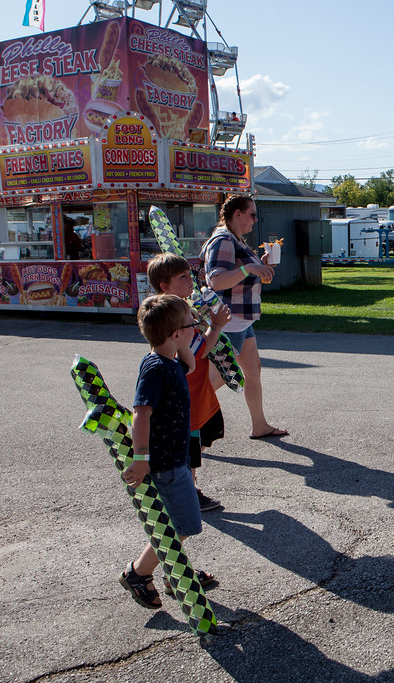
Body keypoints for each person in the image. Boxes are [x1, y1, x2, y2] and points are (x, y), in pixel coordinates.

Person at [118, 294, 219, 608]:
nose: (198, 329)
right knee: (179, 523)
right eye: (193, 325)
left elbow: (189, 366)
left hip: (176, 457)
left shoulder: (171, 358)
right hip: (164, 462)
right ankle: (140, 572)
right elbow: (141, 412)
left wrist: (187, 335)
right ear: (175, 334)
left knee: (178, 521)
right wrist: (142, 458)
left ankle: (175, 571)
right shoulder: (156, 368)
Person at [147, 253, 231, 513]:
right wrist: (215, 326)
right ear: (165, 286)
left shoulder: (181, 309)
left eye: (188, 274)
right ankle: (188, 490)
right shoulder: (174, 316)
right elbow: (199, 350)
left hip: (197, 390)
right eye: (182, 277)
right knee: (189, 445)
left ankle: (184, 484)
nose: (190, 280)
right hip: (187, 395)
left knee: (201, 437)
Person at [201, 194, 288, 440]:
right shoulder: (223, 240)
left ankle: (259, 426)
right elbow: (216, 280)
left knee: (253, 371)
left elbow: (236, 274)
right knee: (214, 381)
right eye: (251, 214)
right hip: (230, 321)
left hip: (241, 320)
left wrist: (259, 264)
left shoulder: (235, 240)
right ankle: (184, 426)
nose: (255, 219)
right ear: (236, 214)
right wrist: (249, 268)